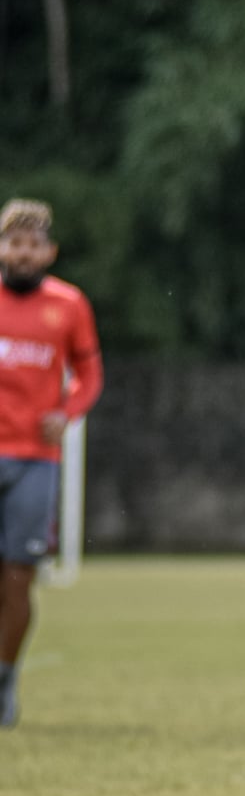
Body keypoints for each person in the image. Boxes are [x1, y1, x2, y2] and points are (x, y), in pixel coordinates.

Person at [0, 198, 102, 730]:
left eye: (33, 243)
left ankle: (5, 677)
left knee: (18, 580)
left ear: (49, 251)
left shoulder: (68, 304)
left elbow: (89, 373)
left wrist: (68, 412)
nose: (23, 252)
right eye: (14, 242)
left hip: (36, 460)